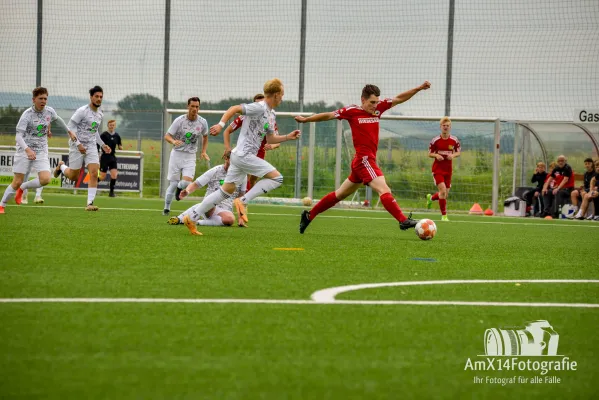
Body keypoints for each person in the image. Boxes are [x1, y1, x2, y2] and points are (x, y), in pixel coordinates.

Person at [295, 81, 431, 234]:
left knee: (340, 194)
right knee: (384, 189)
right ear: (363, 100)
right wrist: (307, 120)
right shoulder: (352, 111)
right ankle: (402, 220)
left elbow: (400, 98)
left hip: (361, 162)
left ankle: (309, 215)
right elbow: (329, 115)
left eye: (377, 102)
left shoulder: (379, 108)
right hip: (364, 160)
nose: (375, 105)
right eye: (372, 102)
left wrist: (418, 88)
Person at [181, 78, 301, 236]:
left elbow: (271, 139)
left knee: (225, 191)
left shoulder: (271, 114)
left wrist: (288, 137)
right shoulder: (259, 107)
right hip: (244, 155)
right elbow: (234, 108)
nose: (283, 98)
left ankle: (192, 217)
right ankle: (242, 201)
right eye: (282, 94)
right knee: (277, 178)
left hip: (240, 157)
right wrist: (221, 124)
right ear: (277, 94)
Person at [0, 87, 73, 214]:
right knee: (17, 181)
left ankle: (23, 188)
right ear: (34, 100)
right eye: (40, 98)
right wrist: (27, 150)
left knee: (45, 179)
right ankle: (2, 205)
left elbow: (58, 119)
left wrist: (68, 131)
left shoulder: (49, 111)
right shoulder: (27, 115)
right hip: (24, 150)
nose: (43, 101)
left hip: (41, 151)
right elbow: (18, 136)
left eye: (45, 98)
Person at [53, 86, 112, 211]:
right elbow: (70, 127)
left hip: (91, 146)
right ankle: (61, 167)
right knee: (74, 177)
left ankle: (89, 203)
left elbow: (94, 131)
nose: (99, 99)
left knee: (94, 173)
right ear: (91, 97)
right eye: (96, 96)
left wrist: (102, 144)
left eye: (101, 97)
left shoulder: (100, 113)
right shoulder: (82, 111)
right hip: (76, 145)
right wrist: (78, 143)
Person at [167, 151, 247, 229]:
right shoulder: (216, 170)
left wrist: (241, 217)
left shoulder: (242, 175)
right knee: (211, 203)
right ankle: (180, 218)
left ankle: (196, 222)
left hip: (225, 209)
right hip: (209, 207)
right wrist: (187, 191)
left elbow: (241, 198)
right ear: (226, 158)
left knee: (230, 220)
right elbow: (196, 184)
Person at [222, 93, 280, 191]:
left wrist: (272, 146)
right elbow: (227, 131)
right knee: (245, 178)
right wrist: (228, 148)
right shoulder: (245, 116)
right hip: (246, 151)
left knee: (253, 179)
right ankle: (240, 199)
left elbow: (276, 141)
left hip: (260, 152)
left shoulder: (270, 119)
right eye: (257, 103)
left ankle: (244, 199)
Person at [162, 97, 209, 216]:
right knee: (172, 184)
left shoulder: (203, 122)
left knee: (186, 183)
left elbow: (205, 136)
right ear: (188, 106)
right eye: (192, 106)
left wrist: (203, 151)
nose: (194, 109)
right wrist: (173, 141)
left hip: (190, 156)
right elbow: (167, 136)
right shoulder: (179, 120)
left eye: (197, 107)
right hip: (176, 155)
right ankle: (166, 208)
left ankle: (179, 189)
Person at [425, 117, 461, 221]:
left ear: (450, 127)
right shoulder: (435, 140)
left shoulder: (454, 140)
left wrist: (453, 156)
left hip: (448, 170)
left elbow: (458, 152)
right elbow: (429, 153)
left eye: (447, 126)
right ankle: (444, 216)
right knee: (443, 191)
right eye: (444, 125)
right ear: (440, 127)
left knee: (444, 194)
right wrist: (436, 155)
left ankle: (431, 198)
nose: (445, 127)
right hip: (438, 170)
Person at [99, 120, 123, 197]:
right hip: (105, 157)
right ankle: (92, 183)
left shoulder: (117, 135)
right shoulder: (103, 135)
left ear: (115, 126)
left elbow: (120, 145)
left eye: (113, 125)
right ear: (108, 126)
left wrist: (120, 147)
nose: (111, 126)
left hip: (112, 157)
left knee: (114, 175)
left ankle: (111, 193)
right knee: (102, 177)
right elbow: (98, 143)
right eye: (110, 125)